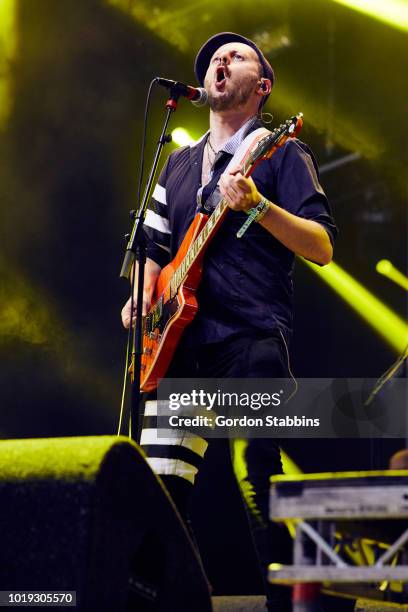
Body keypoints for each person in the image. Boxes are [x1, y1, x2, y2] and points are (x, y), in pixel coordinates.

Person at [121, 32, 337, 611]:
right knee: (160, 492)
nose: (220, 59)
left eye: (237, 55)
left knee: (255, 473)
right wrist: (144, 297)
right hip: (179, 347)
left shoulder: (280, 150)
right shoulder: (179, 164)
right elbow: (155, 249)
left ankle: (290, 604)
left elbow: (320, 246)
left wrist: (258, 207)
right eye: (214, 58)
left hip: (248, 336)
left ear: (261, 85)